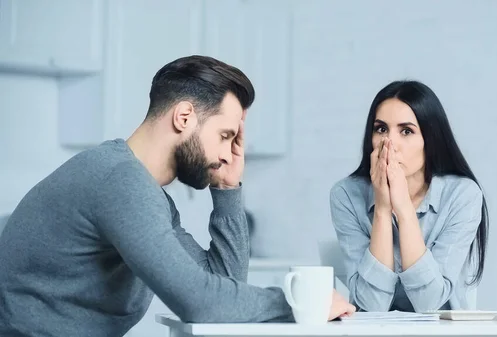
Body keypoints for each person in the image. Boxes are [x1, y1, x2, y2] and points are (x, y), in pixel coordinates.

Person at [0, 55, 355, 337]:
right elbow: (201, 303)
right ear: (184, 117)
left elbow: (222, 289)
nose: (228, 153)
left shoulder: (143, 189)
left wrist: (227, 189)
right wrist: (300, 304)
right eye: (225, 135)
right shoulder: (120, 181)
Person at [329, 80, 489, 313]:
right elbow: (372, 306)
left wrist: (403, 208)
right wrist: (383, 208)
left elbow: (429, 304)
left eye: (406, 131)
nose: (389, 143)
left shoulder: (462, 195)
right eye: (381, 129)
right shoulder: (345, 195)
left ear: (430, 139)